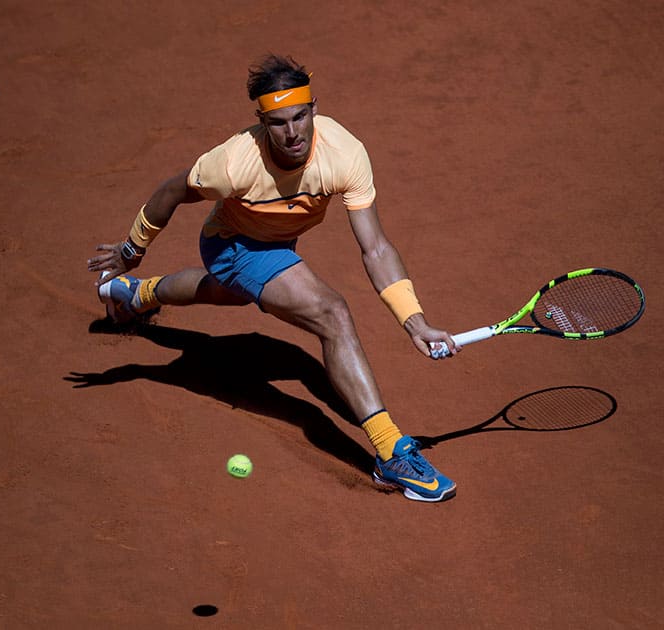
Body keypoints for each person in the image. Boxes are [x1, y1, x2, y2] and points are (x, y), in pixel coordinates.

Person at [86, 54, 459, 502]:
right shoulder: (231, 163)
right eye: (279, 122)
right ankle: (391, 454)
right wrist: (132, 249)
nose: (293, 132)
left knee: (231, 294)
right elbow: (170, 192)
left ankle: (137, 297)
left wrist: (413, 320)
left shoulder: (344, 153)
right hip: (233, 243)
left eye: (300, 116)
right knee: (332, 313)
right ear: (261, 120)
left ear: (314, 107)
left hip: (280, 240)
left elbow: (375, 246)